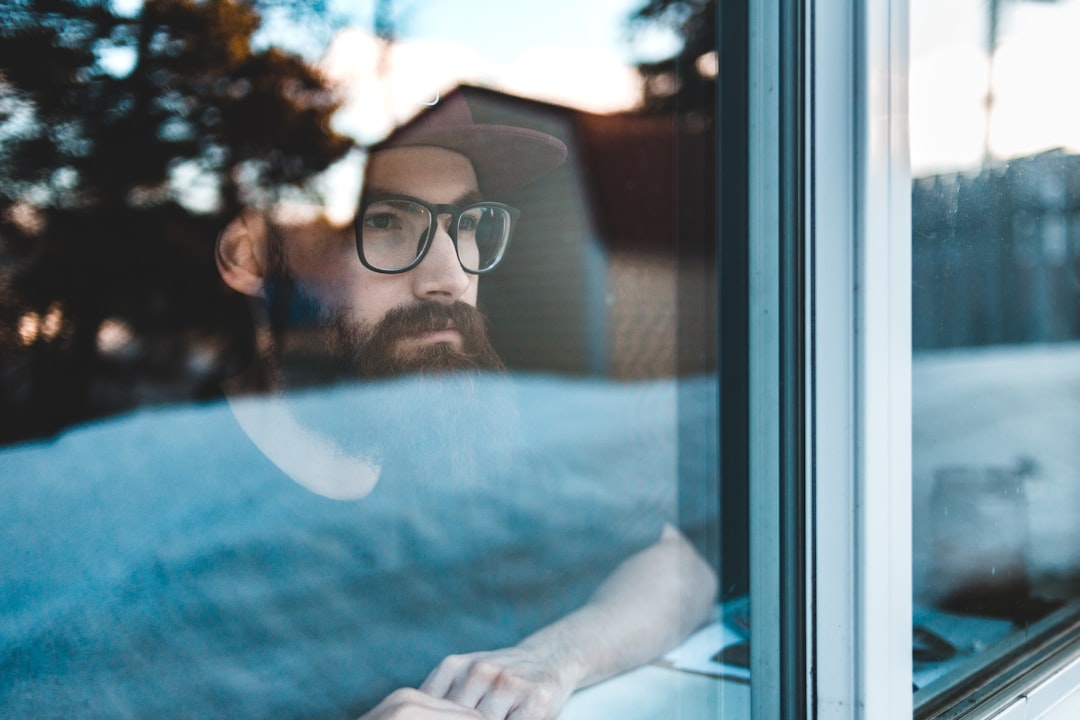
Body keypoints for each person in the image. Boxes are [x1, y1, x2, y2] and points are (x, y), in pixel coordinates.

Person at [214, 92, 717, 720]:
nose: (448, 277)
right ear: (257, 255)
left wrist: (550, 659)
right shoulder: (193, 513)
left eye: (468, 226)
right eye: (389, 224)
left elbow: (679, 570)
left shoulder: (467, 441)